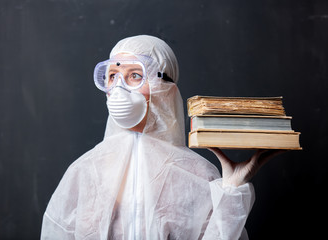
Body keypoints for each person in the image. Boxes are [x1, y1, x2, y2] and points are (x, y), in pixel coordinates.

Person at [41, 35, 282, 240]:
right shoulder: (84, 172)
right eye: (113, 76)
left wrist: (230, 190)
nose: (118, 88)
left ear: (164, 87)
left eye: (135, 75)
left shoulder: (197, 174)